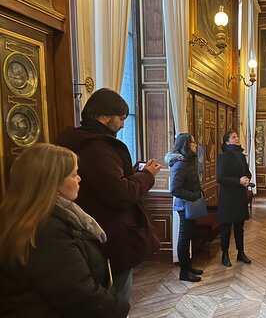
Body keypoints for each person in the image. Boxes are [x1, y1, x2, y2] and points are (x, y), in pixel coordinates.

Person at [0, 143, 129, 318]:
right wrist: (120, 307)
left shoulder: (28, 216)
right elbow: (78, 294)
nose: (79, 179)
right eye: (74, 174)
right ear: (52, 180)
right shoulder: (45, 228)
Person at [56, 88, 161, 300]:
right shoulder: (97, 147)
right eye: (120, 118)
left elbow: (106, 183)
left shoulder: (79, 141)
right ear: (105, 116)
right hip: (110, 237)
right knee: (116, 299)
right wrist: (147, 176)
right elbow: (120, 193)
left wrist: (131, 173)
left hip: (91, 235)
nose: (123, 124)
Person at [166, 133, 204, 282]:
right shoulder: (180, 164)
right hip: (184, 206)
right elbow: (174, 189)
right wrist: (194, 195)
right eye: (192, 143)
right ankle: (183, 272)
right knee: (184, 238)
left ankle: (188, 266)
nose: (195, 145)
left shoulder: (188, 161)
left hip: (190, 205)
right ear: (185, 145)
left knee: (188, 237)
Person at [217, 131, 253, 267]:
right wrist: (238, 180)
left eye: (237, 136)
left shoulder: (241, 156)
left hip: (239, 195)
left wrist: (246, 178)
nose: (237, 138)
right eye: (233, 137)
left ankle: (241, 253)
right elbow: (220, 178)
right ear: (227, 142)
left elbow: (247, 172)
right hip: (227, 196)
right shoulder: (223, 157)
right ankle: (224, 255)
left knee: (240, 227)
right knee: (226, 228)